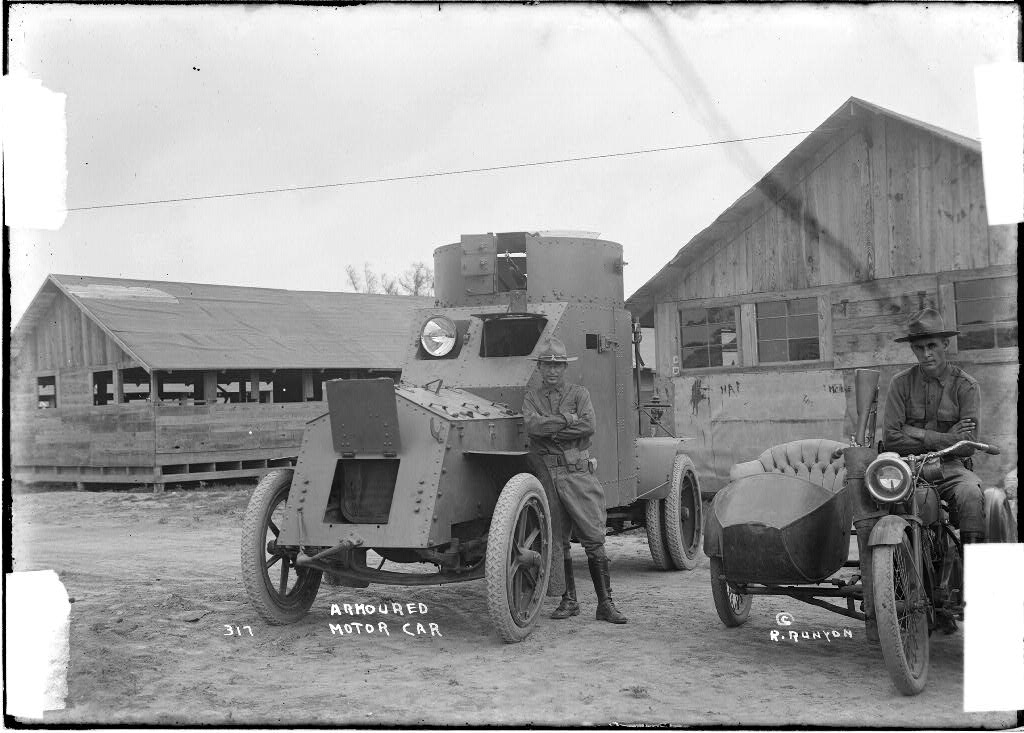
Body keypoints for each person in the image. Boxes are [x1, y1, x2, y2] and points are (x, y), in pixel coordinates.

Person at [522, 337, 627, 624]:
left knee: (594, 536)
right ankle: (569, 601)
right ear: (540, 368)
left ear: (564, 368)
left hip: (577, 472)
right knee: (557, 539)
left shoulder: (579, 394)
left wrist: (551, 429)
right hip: (546, 474)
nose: (552, 371)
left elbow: (589, 425)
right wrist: (566, 421)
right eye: (547, 365)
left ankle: (605, 603)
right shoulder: (532, 397)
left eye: (557, 366)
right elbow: (532, 425)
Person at [882, 308, 985, 543]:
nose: (926, 353)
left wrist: (915, 432)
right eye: (919, 348)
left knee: (971, 493)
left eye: (932, 346)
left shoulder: (966, 386)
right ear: (912, 349)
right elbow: (891, 439)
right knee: (881, 496)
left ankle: (975, 573)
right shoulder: (900, 384)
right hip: (908, 468)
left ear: (945, 344)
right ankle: (894, 564)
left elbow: (968, 446)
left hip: (951, 468)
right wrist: (948, 437)